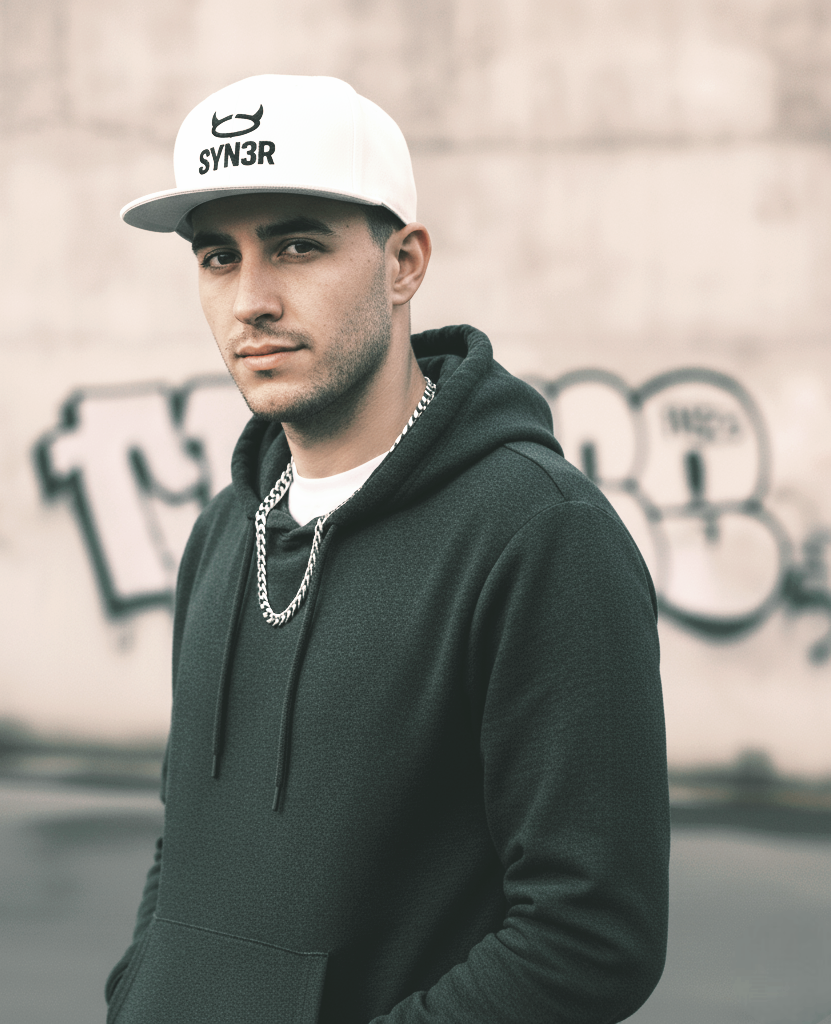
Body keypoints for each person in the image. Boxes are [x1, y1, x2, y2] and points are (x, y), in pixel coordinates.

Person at [105, 74, 669, 1024]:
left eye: (296, 245)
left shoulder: (540, 536)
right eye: (216, 257)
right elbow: (187, 844)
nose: (251, 300)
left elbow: (591, 934)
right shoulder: (221, 535)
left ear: (404, 263)